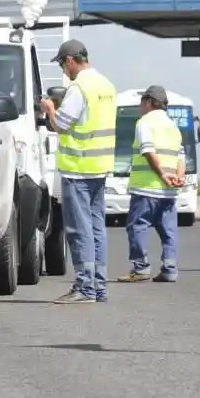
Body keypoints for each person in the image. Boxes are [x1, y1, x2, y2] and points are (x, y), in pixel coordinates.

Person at [38, 39, 117, 304]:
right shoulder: (106, 85)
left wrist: (50, 109)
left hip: (78, 168)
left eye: (62, 63)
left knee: (78, 229)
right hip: (99, 167)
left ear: (71, 60)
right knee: (96, 228)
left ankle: (84, 287)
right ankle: (99, 286)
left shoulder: (79, 87)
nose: (63, 69)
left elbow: (62, 124)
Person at [117, 85, 186, 283]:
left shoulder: (144, 123)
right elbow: (181, 156)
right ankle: (170, 268)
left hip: (146, 188)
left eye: (141, 103)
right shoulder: (173, 126)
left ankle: (141, 268)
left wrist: (162, 174)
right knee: (169, 230)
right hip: (169, 191)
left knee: (137, 226)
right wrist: (178, 178)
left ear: (148, 102)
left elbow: (148, 151)